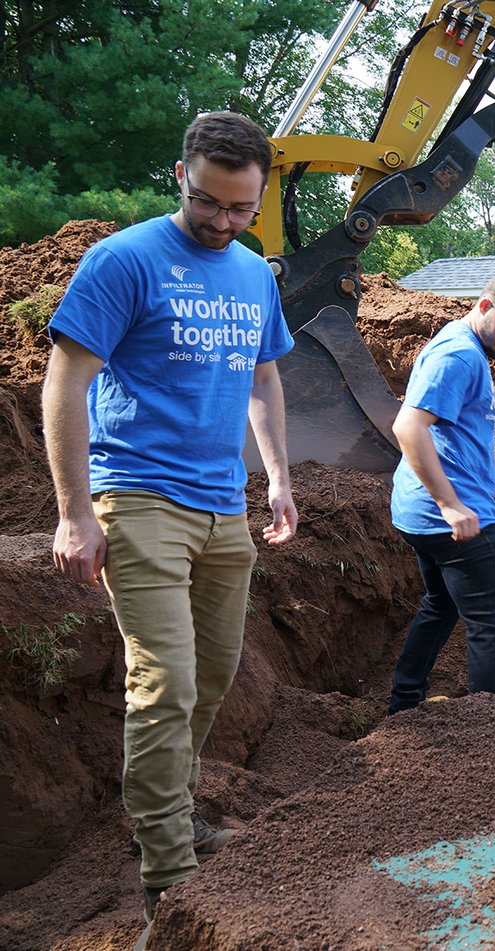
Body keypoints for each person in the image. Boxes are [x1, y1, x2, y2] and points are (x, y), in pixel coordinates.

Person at [42, 111, 298, 924]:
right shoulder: (123, 260)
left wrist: (278, 478)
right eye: (209, 203)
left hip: (222, 503)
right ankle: (168, 880)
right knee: (165, 681)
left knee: (215, 675)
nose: (223, 222)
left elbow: (263, 379)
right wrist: (74, 514)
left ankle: (175, 813)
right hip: (137, 493)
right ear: (180, 176)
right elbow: (64, 383)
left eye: (241, 208)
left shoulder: (254, 272)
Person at [387, 271, 495, 714]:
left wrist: (491, 465)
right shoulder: (459, 355)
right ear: (484, 306)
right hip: (451, 517)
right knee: (493, 626)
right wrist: (450, 504)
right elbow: (408, 427)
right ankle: (488, 732)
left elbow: (452, 424)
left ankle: (404, 704)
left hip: (420, 511)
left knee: (441, 605)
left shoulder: (464, 343)